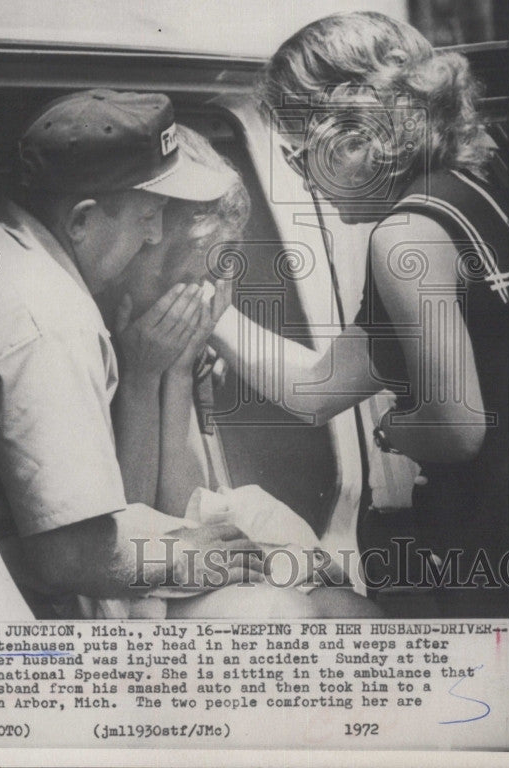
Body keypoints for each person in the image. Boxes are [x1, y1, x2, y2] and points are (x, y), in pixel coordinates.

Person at [211, 11, 509, 616]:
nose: (304, 179)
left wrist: (391, 429)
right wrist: (213, 314)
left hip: (495, 538)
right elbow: (318, 388)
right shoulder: (482, 181)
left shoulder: (405, 236)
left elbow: (456, 430)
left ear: (354, 133)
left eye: (301, 154)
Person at [0, 89, 267, 619]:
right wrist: (187, 555)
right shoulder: (52, 323)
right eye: (147, 215)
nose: (153, 235)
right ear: (82, 221)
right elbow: (67, 553)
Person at [100, 124, 382, 618]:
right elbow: (130, 526)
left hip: (177, 553)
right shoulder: (104, 336)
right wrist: (143, 382)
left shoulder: (166, 334)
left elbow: (184, 503)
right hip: (130, 577)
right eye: (195, 274)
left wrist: (180, 369)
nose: (206, 290)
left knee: (354, 613)